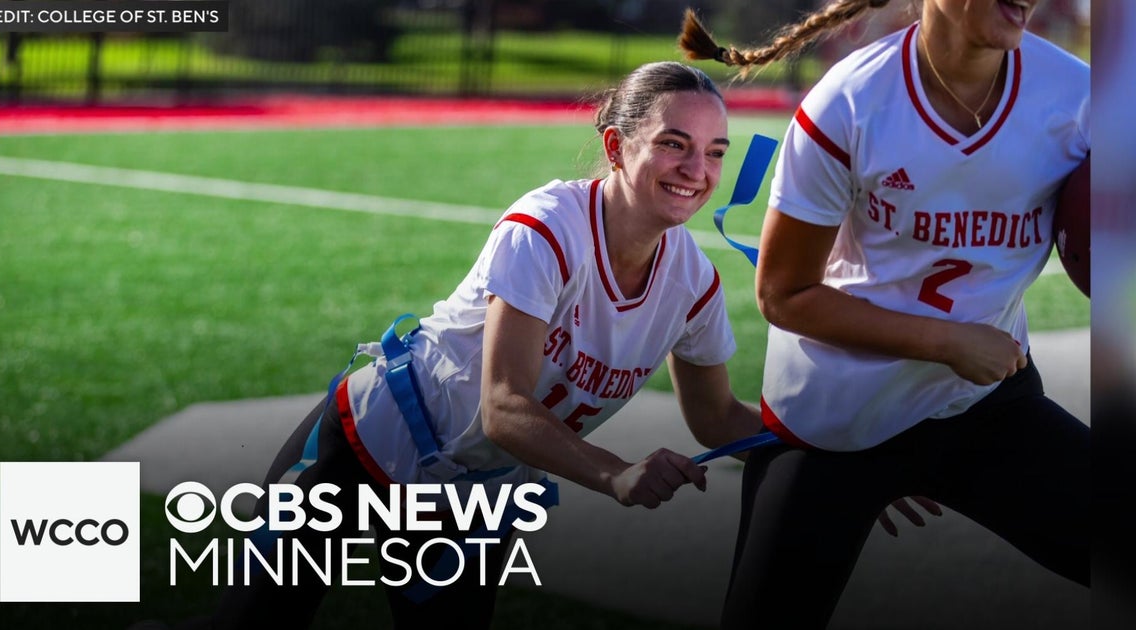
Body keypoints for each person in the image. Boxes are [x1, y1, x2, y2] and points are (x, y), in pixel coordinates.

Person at [160, 60, 765, 630]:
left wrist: (818, 439)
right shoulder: (547, 228)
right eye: (673, 143)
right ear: (615, 147)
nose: (697, 171)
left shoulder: (694, 283)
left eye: (715, 153)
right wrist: (616, 473)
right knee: (254, 625)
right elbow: (501, 408)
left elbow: (716, 418)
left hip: (475, 492)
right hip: (376, 438)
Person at [679, 1, 1089, 627]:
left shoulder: (1081, 97)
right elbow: (783, 295)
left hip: (980, 404)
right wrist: (947, 341)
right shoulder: (848, 103)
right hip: (837, 419)